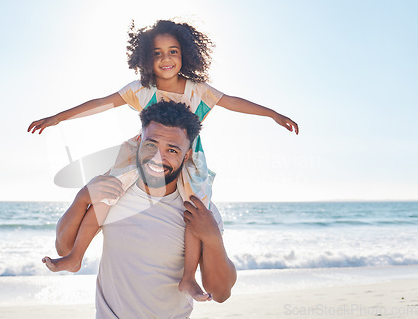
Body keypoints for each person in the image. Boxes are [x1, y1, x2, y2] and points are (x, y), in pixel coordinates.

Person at [28, 19, 298, 301]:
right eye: (157, 53)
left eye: (173, 51)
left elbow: (233, 101)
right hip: (141, 152)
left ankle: (188, 278)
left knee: (194, 208)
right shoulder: (141, 89)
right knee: (106, 190)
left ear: (185, 55)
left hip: (187, 158)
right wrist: (57, 118)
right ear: (146, 58)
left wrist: (273, 115)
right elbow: (100, 103)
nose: (166, 59)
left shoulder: (199, 90)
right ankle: (75, 256)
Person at [54, 101, 236, 318]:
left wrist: (213, 237)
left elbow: (221, 292)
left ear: (186, 156)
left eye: (172, 149)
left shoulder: (200, 211)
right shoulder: (114, 191)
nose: (158, 158)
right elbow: (64, 249)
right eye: (151, 145)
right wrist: (83, 197)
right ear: (139, 142)